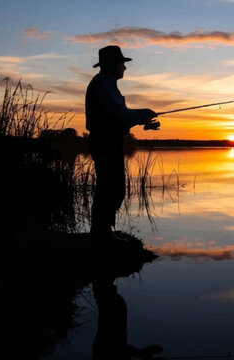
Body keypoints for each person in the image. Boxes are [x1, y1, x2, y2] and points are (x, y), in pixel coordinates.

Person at [85, 45, 160, 242]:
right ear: (113, 65)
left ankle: (102, 231)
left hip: (108, 140)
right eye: (122, 64)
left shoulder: (105, 83)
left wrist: (143, 121)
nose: (125, 68)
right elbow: (120, 115)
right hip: (105, 142)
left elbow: (118, 117)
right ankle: (101, 233)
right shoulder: (103, 85)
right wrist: (143, 114)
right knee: (110, 187)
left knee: (111, 186)